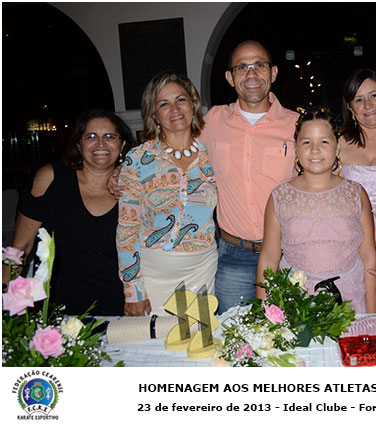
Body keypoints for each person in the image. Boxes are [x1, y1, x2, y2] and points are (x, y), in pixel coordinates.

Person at [199, 40, 299, 314]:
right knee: (233, 332)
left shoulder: (296, 125)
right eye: (242, 67)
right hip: (233, 256)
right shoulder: (212, 122)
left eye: (259, 65)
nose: (251, 74)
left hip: (287, 254)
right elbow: (175, 151)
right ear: (230, 77)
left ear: (273, 73)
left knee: (289, 333)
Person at [4, 108, 135, 316]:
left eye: (110, 136)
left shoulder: (134, 190)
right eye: (91, 136)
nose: (101, 143)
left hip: (120, 312)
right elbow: (20, 248)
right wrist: (6, 300)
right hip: (56, 314)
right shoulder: (52, 179)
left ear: (122, 145)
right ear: (78, 144)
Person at [257, 109, 376, 314]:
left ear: (337, 147)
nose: (315, 150)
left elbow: (368, 257)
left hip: (350, 300)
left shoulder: (356, 193)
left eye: (324, 141)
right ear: (296, 148)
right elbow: (269, 258)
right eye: (306, 142)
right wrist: (264, 313)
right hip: (296, 302)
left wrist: (373, 315)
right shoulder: (280, 196)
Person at [116, 72, 217, 316]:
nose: (175, 109)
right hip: (152, 278)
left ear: (192, 104)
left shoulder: (213, 155)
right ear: (154, 114)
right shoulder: (138, 159)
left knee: (198, 337)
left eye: (181, 99)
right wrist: (133, 290)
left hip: (201, 272)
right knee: (152, 338)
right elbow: (127, 229)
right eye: (164, 104)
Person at [339, 68, 376, 313]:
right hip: (349, 246)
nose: (368, 105)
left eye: (374, 95)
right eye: (359, 99)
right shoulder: (337, 144)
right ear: (350, 108)